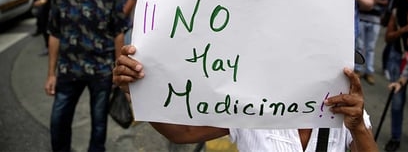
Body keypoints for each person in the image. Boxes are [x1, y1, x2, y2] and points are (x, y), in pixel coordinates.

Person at [112, 45, 378, 152]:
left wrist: (358, 129)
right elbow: (183, 132)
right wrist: (141, 91)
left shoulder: (346, 111)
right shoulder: (251, 103)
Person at [44, 0, 128, 152]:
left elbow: (118, 32)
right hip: (68, 70)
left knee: (99, 123)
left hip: (101, 71)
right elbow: (54, 34)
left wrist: (118, 71)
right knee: (58, 122)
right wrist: (51, 74)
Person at [383, 0, 408, 152]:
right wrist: (404, 30)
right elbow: (388, 38)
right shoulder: (398, 12)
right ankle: (395, 137)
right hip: (399, 56)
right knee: (397, 101)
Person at [356, 0, 388, 85]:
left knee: (370, 47)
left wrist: (376, 1)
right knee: (359, 45)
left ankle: (369, 71)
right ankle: (358, 69)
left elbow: (386, 2)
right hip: (362, 17)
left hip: (375, 20)